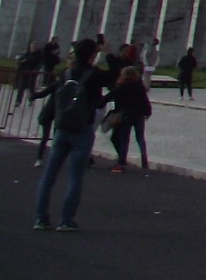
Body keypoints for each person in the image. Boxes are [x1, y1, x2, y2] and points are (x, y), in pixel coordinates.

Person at [32, 37, 113, 231]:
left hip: (61, 128)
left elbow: (54, 95)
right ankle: (66, 220)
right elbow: (115, 76)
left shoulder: (65, 73)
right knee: (75, 177)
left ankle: (41, 218)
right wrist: (109, 53)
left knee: (49, 176)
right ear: (93, 54)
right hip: (82, 129)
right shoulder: (93, 74)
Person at [106, 63, 152, 172]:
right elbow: (145, 100)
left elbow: (110, 97)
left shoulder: (121, 85)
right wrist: (148, 111)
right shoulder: (139, 85)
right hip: (139, 115)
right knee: (140, 137)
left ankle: (122, 161)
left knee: (124, 140)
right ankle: (144, 157)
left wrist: (100, 104)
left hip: (126, 115)